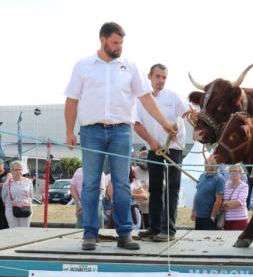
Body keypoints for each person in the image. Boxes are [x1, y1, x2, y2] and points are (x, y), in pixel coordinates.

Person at [64, 22, 175, 251]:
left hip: (122, 130)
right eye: (115, 42)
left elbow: (145, 98)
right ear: (102, 40)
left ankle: (125, 233)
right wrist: (69, 131)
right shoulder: (83, 66)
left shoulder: (130, 66)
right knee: (91, 184)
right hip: (91, 131)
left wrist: (164, 123)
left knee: (122, 183)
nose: (119, 47)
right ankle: (90, 234)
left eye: (121, 42)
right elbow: (72, 100)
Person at [134, 63, 189, 242]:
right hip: (153, 148)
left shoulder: (173, 96)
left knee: (172, 188)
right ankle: (155, 227)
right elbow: (137, 124)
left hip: (174, 148)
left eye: (164, 77)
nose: (161, 81)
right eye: (158, 76)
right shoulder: (141, 99)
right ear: (149, 77)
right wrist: (151, 142)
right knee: (155, 188)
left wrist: (198, 128)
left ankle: (169, 229)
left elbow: (188, 113)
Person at [191, 159, 225, 230]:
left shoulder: (219, 179)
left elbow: (219, 200)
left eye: (207, 163)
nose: (205, 165)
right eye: (205, 163)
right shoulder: (202, 176)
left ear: (215, 165)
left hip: (209, 217)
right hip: (199, 216)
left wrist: (213, 216)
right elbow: (197, 194)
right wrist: (193, 211)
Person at [1, 160, 33, 228]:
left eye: (20, 169)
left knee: (25, 230)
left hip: (25, 208)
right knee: (13, 230)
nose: (18, 172)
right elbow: (3, 197)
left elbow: (31, 195)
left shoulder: (28, 182)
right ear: (11, 171)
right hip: (11, 209)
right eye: (16, 170)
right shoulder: (7, 183)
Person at [221, 165, 249, 230]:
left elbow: (239, 202)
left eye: (236, 171)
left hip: (240, 219)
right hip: (227, 219)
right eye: (231, 171)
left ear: (240, 173)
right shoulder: (226, 185)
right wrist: (232, 204)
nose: (233, 173)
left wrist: (226, 204)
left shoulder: (244, 186)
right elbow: (221, 202)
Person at [133, 150, 150, 229]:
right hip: (138, 210)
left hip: (152, 210)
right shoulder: (134, 172)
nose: (144, 162)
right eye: (142, 160)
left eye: (147, 159)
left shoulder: (155, 171)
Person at [0, 159, 10, 229]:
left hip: (4, 199)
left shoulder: (8, 173)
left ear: (2, 165)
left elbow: (7, 184)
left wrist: (2, 184)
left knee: (4, 217)